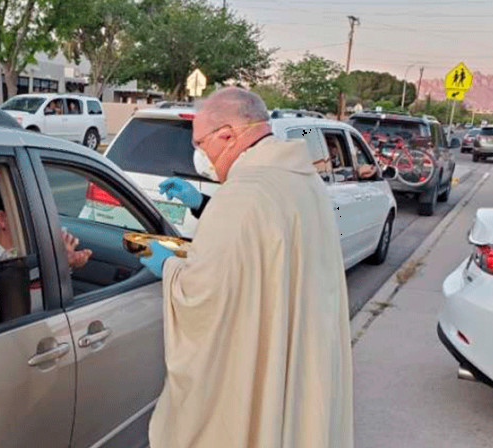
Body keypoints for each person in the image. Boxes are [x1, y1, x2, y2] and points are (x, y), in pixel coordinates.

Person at [141, 87, 353, 448]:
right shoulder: (300, 178)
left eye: (200, 143)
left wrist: (171, 269)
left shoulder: (244, 192)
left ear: (227, 135)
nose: (200, 155)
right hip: (307, 353)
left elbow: (206, 294)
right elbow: (267, 238)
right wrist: (202, 202)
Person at [0, 184, 92, 269]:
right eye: (28, 212)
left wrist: (65, 260)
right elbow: (25, 297)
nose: (36, 219)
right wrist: (62, 263)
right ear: (2, 219)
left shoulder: (12, 245)